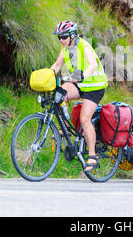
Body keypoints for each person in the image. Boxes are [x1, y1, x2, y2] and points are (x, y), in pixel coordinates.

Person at [50, 21, 108, 173]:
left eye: (63, 37)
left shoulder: (84, 45)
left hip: (94, 87)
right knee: (59, 94)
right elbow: (57, 65)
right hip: (79, 84)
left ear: (72, 35)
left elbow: (93, 65)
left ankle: (93, 156)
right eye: (59, 38)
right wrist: (46, 75)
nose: (61, 40)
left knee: (84, 119)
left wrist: (82, 76)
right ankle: (64, 128)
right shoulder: (65, 47)